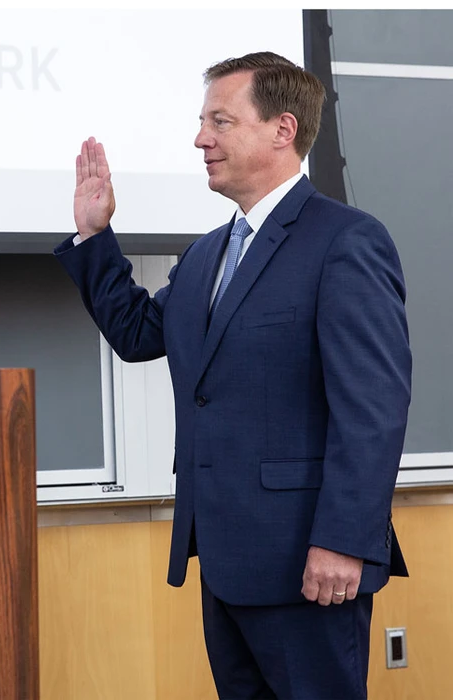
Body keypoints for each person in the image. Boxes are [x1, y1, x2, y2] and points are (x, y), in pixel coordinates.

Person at [56, 52, 411, 698]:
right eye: (201, 122)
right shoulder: (207, 255)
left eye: (220, 120)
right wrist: (94, 237)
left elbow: (373, 410)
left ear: (282, 130)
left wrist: (345, 542)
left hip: (312, 563)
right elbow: (140, 336)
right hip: (224, 562)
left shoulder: (347, 242)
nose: (200, 138)